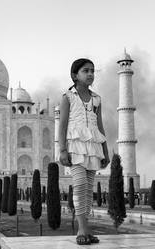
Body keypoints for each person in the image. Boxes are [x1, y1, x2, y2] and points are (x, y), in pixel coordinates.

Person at [58, 58, 109, 245]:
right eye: (85, 71)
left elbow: (100, 125)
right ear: (74, 75)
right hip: (75, 147)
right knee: (79, 186)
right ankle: (81, 228)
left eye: (92, 71)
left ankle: (86, 229)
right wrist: (62, 150)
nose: (90, 74)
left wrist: (105, 151)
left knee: (88, 190)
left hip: (93, 147)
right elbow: (62, 126)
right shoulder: (68, 97)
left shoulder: (96, 99)